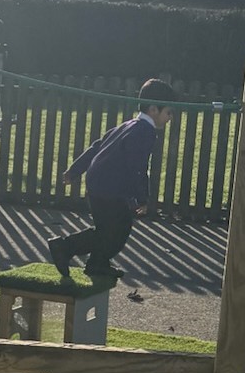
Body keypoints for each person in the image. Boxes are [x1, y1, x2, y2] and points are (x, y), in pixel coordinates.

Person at [48, 78, 177, 281]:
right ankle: (64, 247)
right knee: (119, 229)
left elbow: (97, 146)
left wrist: (75, 170)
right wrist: (142, 198)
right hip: (109, 187)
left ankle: (96, 263)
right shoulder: (146, 132)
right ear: (154, 109)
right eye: (168, 112)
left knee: (107, 228)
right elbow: (138, 166)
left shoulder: (127, 125)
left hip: (96, 182)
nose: (170, 118)